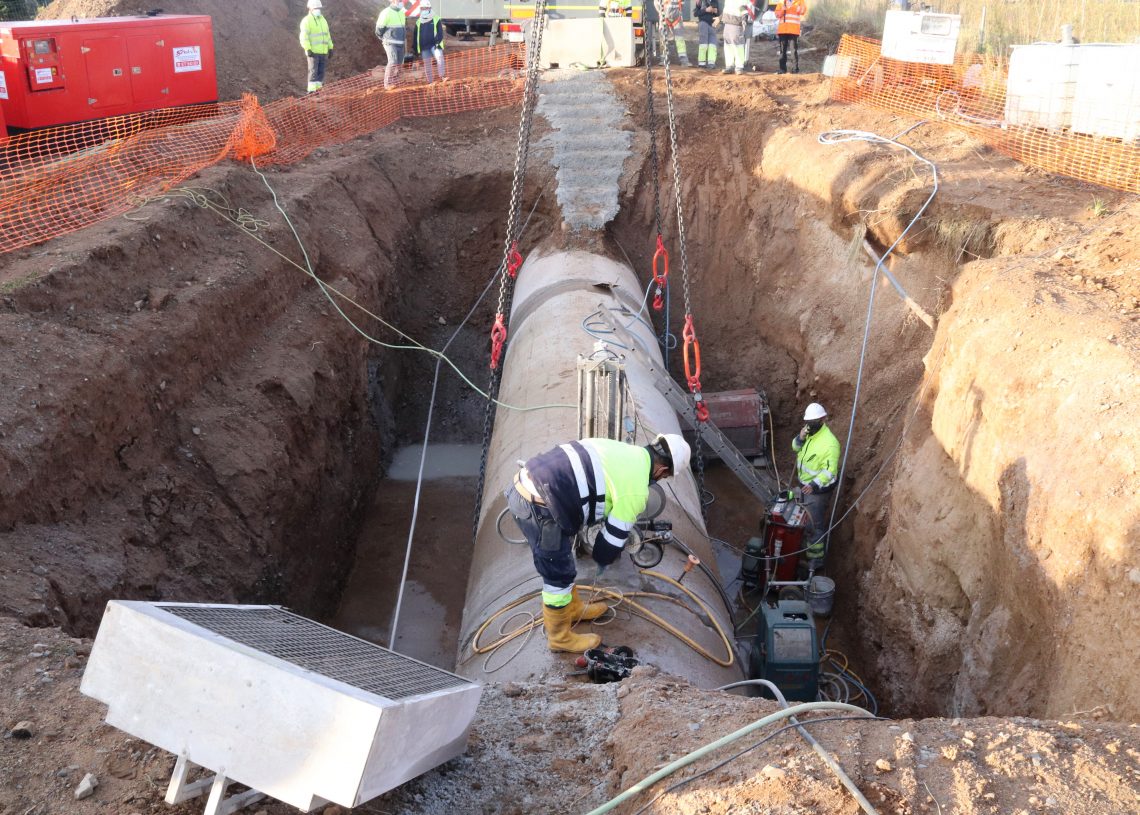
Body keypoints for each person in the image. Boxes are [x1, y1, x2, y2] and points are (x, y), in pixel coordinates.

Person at [506, 434, 692, 653]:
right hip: (539, 505)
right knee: (558, 576)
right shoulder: (636, 490)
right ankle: (559, 638)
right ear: (662, 471)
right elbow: (610, 543)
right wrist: (603, 561)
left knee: (564, 561)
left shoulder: (622, 450)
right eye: (665, 477)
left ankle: (573, 608)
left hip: (529, 485)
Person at [791, 402, 840, 572]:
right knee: (804, 520)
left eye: (813, 421)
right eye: (807, 421)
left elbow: (830, 471)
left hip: (817, 491)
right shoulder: (809, 433)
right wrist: (801, 437)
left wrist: (813, 485)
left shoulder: (830, 443)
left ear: (822, 419)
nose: (809, 425)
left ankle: (815, 563)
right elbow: (795, 448)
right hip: (804, 485)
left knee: (814, 526)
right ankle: (805, 549)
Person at [299, 0, 334, 94]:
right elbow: (304, 37)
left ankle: (318, 90)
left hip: (323, 51)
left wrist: (330, 48)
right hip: (313, 52)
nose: (317, 10)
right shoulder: (306, 21)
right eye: (315, 8)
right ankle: (311, 91)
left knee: (321, 72)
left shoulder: (323, 20)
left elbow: (327, 35)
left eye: (319, 8)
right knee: (313, 72)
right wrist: (307, 48)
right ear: (310, 8)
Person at [375, 0, 408, 90]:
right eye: (399, 0)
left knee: (399, 63)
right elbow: (379, 29)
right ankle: (388, 84)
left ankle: (395, 82)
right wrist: (383, 37)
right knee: (393, 61)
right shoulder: (386, 12)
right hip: (390, 42)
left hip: (400, 42)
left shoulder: (401, 12)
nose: (401, 2)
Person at [415, 1, 446, 83]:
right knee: (427, 64)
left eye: (426, 8)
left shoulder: (436, 18)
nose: (424, 9)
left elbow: (440, 32)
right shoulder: (418, 21)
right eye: (422, 8)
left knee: (440, 59)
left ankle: (442, 77)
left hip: (435, 44)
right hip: (424, 46)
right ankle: (430, 82)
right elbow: (416, 36)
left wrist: (438, 42)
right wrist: (416, 48)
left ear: (429, 8)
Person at [654, 0, 691, 66]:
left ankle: (684, 60)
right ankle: (663, 60)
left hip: (677, 19)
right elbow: (656, 4)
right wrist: (662, 13)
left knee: (680, 39)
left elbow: (682, 4)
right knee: (663, 39)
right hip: (664, 18)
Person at [775, 0, 806, 74]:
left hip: (793, 30)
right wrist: (783, 9)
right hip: (783, 30)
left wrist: (797, 8)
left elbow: (803, 11)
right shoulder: (781, 2)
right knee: (782, 51)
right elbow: (777, 15)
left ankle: (795, 69)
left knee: (794, 50)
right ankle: (782, 69)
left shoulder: (800, 1)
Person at [720, 0, 749, 74]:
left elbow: (743, 8)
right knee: (728, 45)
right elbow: (726, 9)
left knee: (738, 45)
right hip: (727, 23)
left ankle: (739, 66)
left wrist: (744, 20)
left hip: (736, 23)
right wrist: (720, 18)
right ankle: (729, 66)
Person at [694, 0, 719, 68]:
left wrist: (717, 14)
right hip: (703, 23)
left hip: (713, 25)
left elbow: (718, 13)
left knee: (712, 44)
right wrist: (706, 10)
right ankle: (702, 63)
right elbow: (696, 13)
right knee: (703, 44)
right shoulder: (701, 1)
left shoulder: (715, 1)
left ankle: (711, 63)